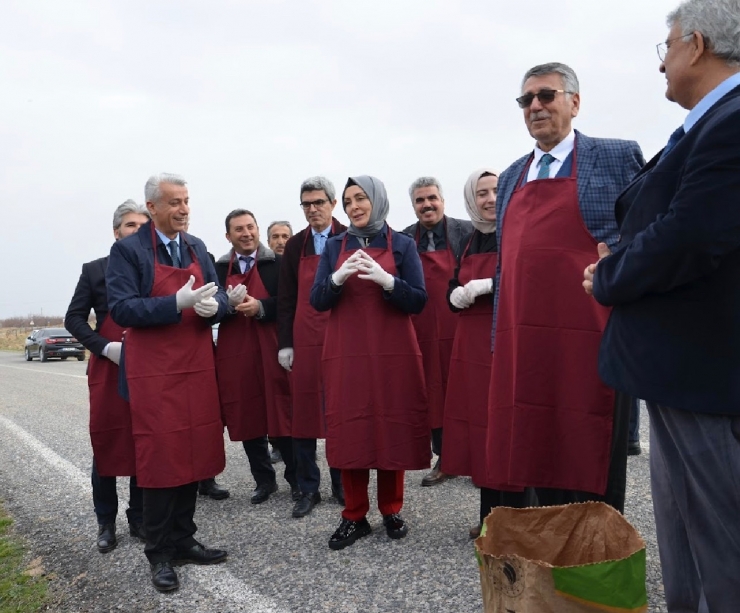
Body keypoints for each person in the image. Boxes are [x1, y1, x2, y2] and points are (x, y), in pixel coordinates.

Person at [584, 1, 740, 608]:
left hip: (702, 369)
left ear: (696, 45)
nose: (662, 65)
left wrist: (609, 274)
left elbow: (691, 235)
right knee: (687, 540)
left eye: (667, 47)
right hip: (681, 372)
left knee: (720, 545)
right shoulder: (709, 122)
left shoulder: (729, 122)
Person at [486, 63, 644, 513]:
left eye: (546, 95)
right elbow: (505, 266)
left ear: (574, 102)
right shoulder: (513, 175)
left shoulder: (616, 156)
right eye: (526, 100)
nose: (535, 106)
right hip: (527, 343)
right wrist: (500, 338)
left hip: (594, 336)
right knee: (536, 452)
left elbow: (646, 231)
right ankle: (547, 560)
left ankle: (597, 565)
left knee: (590, 452)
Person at [107, 173, 229, 593]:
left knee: (193, 450)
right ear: (153, 208)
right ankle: (158, 551)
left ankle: (183, 537)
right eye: (175, 202)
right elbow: (122, 308)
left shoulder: (196, 247)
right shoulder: (127, 251)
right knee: (163, 457)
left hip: (195, 367)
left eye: (187, 201)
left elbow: (222, 295)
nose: (184, 209)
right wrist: (174, 303)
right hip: (155, 372)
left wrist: (216, 307)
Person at [310, 176, 428, 550]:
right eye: (348, 201)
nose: (354, 206)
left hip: (393, 352)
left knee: (391, 424)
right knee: (352, 428)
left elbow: (419, 300)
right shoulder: (333, 247)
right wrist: (336, 278)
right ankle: (354, 515)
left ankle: (391, 509)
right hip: (348, 353)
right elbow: (317, 300)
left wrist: (389, 282)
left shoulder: (404, 245)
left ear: (377, 200)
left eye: (360, 198)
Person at [64, 199, 149, 554]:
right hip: (108, 364)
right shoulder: (95, 270)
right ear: (116, 232)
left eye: (143, 227)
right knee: (108, 441)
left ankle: (139, 517)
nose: (137, 232)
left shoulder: (153, 269)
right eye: (130, 226)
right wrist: (104, 346)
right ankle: (106, 521)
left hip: (146, 365)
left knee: (143, 441)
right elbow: (74, 318)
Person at [214, 209, 298, 506]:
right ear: (229, 236)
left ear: (257, 229)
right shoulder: (219, 268)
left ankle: (296, 478)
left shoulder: (277, 263)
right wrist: (226, 305)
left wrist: (260, 306)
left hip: (271, 345)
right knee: (247, 414)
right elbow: (210, 308)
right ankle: (264, 480)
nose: (246, 233)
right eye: (239, 229)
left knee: (282, 411)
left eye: (250, 227)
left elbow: (290, 302)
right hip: (235, 351)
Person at [439, 170, 506, 539]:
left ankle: (514, 519)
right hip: (472, 344)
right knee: (482, 430)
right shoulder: (469, 240)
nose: (490, 198)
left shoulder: (515, 231)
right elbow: (454, 281)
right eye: (482, 193)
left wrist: (490, 285)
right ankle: (489, 519)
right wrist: (454, 294)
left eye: (497, 190)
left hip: (503, 343)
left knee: (505, 428)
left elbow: (527, 277)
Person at [277, 176, 346, 518]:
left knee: (339, 412)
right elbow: (287, 298)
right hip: (304, 338)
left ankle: (343, 483)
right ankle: (307, 487)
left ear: (333, 203)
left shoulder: (349, 238)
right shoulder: (295, 246)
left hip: (339, 336)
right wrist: (285, 344)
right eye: (306, 204)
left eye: (319, 202)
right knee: (303, 417)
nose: (313, 209)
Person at [402, 178, 472, 487]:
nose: (427, 204)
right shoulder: (404, 239)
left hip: (461, 323)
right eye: (420, 200)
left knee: (466, 389)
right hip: (421, 328)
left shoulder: (466, 231)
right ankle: (444, 458)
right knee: (431, 391)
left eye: (432, 198)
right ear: (413, 205)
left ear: (443, 200)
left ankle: (475, 458)